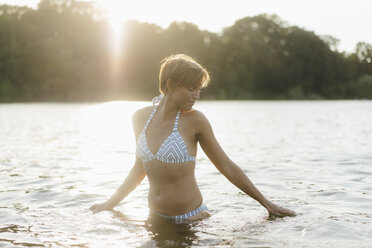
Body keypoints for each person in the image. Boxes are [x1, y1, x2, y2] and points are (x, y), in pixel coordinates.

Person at [90, 54, 296, 222]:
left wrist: (267, 205)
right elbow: (139, 168)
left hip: (191, 220)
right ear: (170, 85)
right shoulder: (139, 117)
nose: (196, 95)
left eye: (199, 89)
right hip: (154, 218)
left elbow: (226, 166)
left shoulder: (196, 121)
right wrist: (110, 204)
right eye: (191, 89)